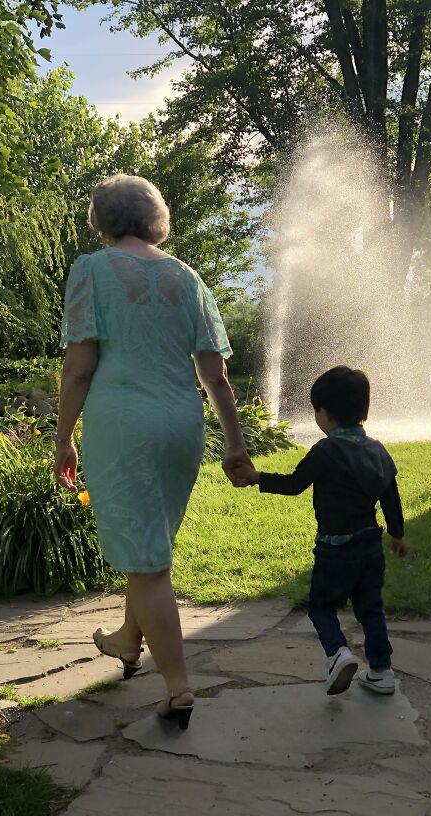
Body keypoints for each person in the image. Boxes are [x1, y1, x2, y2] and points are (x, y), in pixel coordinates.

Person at [53, 174, 251, 730]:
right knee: (148, 545)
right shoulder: (187, 277)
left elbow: (78, 367)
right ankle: (125, 638)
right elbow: (215, 374)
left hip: (123, 424)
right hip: (181, 423)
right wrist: (235, 444)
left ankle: (179, 687)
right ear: (154, 216)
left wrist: (63, 437)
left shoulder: (91, 270)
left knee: (146, 559)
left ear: (102, 219)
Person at [231, 366, 407, 696]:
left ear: (324, 414)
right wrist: (396, 534)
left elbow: (294, 485)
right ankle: (382, 672)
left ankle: (338, 653)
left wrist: (256, 478)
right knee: (371, 608)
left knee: (321, 607)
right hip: (370, 546)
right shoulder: (378, 450)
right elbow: (390, 495)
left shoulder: (325, 451)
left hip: (334, 548)